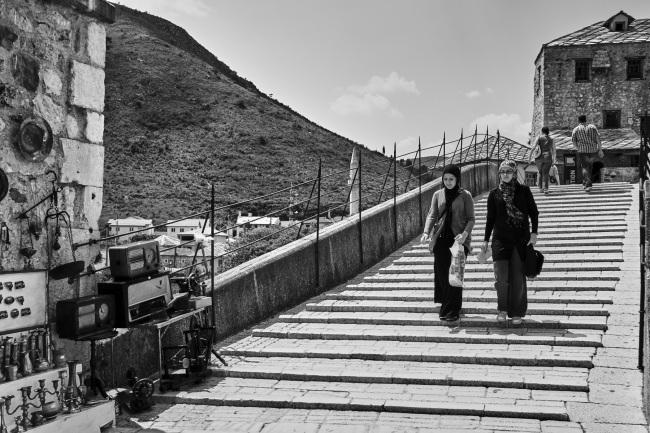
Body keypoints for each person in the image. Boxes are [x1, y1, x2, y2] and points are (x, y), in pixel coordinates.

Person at [480, 160, 538, 325]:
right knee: (501, 277)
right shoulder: (494, 194)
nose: (505, 174)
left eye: (508, 171)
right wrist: (485, 239)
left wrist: (534, 232)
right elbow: (490, 219)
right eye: (502, 171)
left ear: (514, 173)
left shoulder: (524, 191)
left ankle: (516, 312)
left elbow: (534, 212)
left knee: (518, 277)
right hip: (500, 240)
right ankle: (502, 309)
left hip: (520, 240)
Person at [421, 164, 475, 322]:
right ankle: (448, 305)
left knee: (455, 275)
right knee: (442, 274)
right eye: (445, 179)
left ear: (457, 179)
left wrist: (465, 234)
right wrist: (426, 232)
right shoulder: (438, 194)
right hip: (441, 239)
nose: (448, 182)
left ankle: (452, 310)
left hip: (459, 240)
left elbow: (471, 219)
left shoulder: (465, 195)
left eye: (451, 179)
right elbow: (432, 214)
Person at [571, 115, 603, 192]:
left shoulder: (576, 129)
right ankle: (586, 183)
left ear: (578, 121)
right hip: (593, 151)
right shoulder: (593, 127)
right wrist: (600, 150)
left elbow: (574, 141)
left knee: (585, 167)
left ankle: (587, 184)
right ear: (586, 120)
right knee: (590, 167)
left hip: (582, 151)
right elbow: (598, 139)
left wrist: (577, 148)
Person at [530, 126, 556, 194]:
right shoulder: (552, 139)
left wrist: (529, 157)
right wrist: (554, 160)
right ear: (548, 132)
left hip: (539, 158)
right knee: (545, 173)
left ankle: (540, 188)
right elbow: (554, 151)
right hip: (548, 158)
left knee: (540, 172)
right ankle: (545, 188)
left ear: (542, 131)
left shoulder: (539, 137)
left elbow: (533, 147)